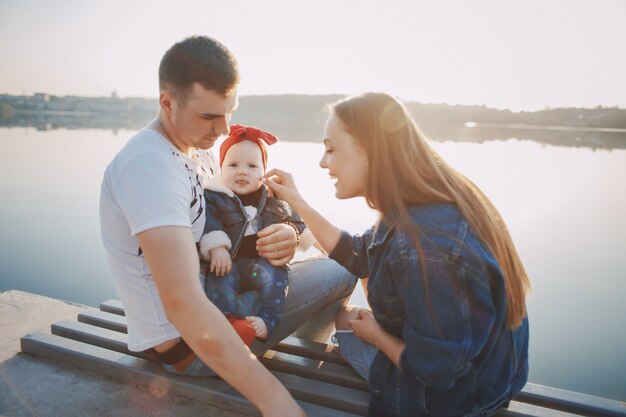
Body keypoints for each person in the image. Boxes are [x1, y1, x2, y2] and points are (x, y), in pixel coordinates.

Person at [99, 35, 356, 417]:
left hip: (222, 309)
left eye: (229, 113)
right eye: (208, 116)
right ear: (167, 102)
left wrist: (290, 235)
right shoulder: (149, 169)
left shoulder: (193, 149)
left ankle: (296, 349)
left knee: (321, 256)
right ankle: (308, 363)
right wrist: (278, 404)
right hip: (193, 349)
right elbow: (183, 301)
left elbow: (242, 214)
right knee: (345, 266)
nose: (222, 130)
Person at [263, 92, 531, 417]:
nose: (322, 161)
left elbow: (436, 372)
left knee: (345, 325)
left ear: (371, 152)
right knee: (350, 318)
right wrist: (300, 204)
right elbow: (359, 254)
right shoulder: (429, 205)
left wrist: (377, 335)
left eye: (331, 148)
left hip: (450, 402)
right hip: (498, 376)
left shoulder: (423, 246)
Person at [200, 124, 314, 341]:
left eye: (252, 166)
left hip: (261, 263)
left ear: (264, 172)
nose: (242, 171)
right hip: (230, 261)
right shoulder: (214, 196)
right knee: (218, 277)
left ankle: (268, 319)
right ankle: (229, 321)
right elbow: (210, 223)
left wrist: (301, 236)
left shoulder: (272, 197)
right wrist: (217, 248)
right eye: (233, 164)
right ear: (221, 168)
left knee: (277, 276)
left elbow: (296, 222)